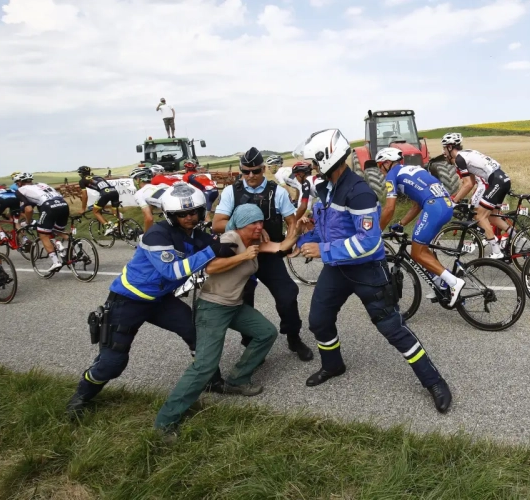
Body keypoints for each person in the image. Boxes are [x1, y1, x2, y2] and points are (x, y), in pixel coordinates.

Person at [295, 128, 452, 413]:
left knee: (393, 329)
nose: (313, 168)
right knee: (319, 320)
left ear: (328, 157)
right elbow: (327, 230)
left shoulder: (359, 192)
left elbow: (368, 242)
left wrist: (323, 251)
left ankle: (434, 381)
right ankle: (333, 365)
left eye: (315, 162)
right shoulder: (324, 187)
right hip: (337, 269)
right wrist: (305, 239)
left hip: (366, 269)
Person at [66, 182, 236, 419]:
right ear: (170, 215)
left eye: (194, 212)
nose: (189, 217)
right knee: (113, 362)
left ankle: (211, 380)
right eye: (182, 214)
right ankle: (81, 395)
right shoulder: (157, 234)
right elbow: (172, 272)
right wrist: (211, 251)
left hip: (160, 300)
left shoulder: (196, 234)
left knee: (197, 332)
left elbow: (219, 248)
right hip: (127, 302)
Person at [154, 204, 300, 435]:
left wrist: (297, 227)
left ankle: (237, 379)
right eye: (254, 222)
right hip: (213, 307)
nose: (259, 226)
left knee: (266, 332)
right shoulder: (230, 239)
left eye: (261, 222)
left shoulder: (252, 242)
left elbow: (281, 247)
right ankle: (165, 421)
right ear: (241, 224)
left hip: (234, 306)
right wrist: (243, 256)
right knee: (204, 367)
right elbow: (210, 266)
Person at [212, 147, 314, 361]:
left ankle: (293, 337)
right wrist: (248, 227)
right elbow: (217, 224)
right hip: (241, 254)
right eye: (245, 171)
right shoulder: (232, 191)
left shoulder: (277, 191)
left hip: (268, 255)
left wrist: (292, 241)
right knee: (244, 298)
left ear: (263, 169)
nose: (250, 176)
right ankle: (251, 343)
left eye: (255, 171)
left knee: (287, 294)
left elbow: (291, 222)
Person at [376, 147, 465, 305]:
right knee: (423, 248)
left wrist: (376, 232)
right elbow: (417, 205)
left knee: (416, 253)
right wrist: (401, 223)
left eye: (379, 166)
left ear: (387, 163)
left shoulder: (392, 174)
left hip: (434, 208)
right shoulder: (413, 170)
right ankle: (441, 283)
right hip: (445, 205)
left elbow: (389, 208)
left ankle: (453, 282)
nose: (379, 170)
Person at [442, 132, 512, 259]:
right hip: (503, 180)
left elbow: (468, 184)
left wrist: (454, 202)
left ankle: (497, 252)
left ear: (450, 147)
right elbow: (472, 182)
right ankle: (518, 238)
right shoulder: (466, 154)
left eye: (444, 148)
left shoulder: (459, 159)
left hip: (496, 181)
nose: (444, 152)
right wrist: (457, 196)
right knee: (492, 217)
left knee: (480, 216)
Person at [15, 173, 70, 273]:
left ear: (19, 183)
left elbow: (29, 209)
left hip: (49, 206)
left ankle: (55, 262)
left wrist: (27, 222)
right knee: (56, 230)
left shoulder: (20, 190)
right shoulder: (42, 184)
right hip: (63, 205)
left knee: (43, 234)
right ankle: (75, 244)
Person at [77, 166, 120, 236]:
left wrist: (83, 209)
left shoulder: (82, 181)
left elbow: (84, 196)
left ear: (81, 174)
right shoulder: (97, 176)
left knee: (95, 211)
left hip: (105, 193)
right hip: (114, 191)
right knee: (115, 213)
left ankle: (108, 226)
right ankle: (122, 227)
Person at [130, 166, 167, 232]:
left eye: (134, 180)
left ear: (138, 179)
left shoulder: (139, 193)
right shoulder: (162, 185)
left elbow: (149, 219)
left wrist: (146, 236)